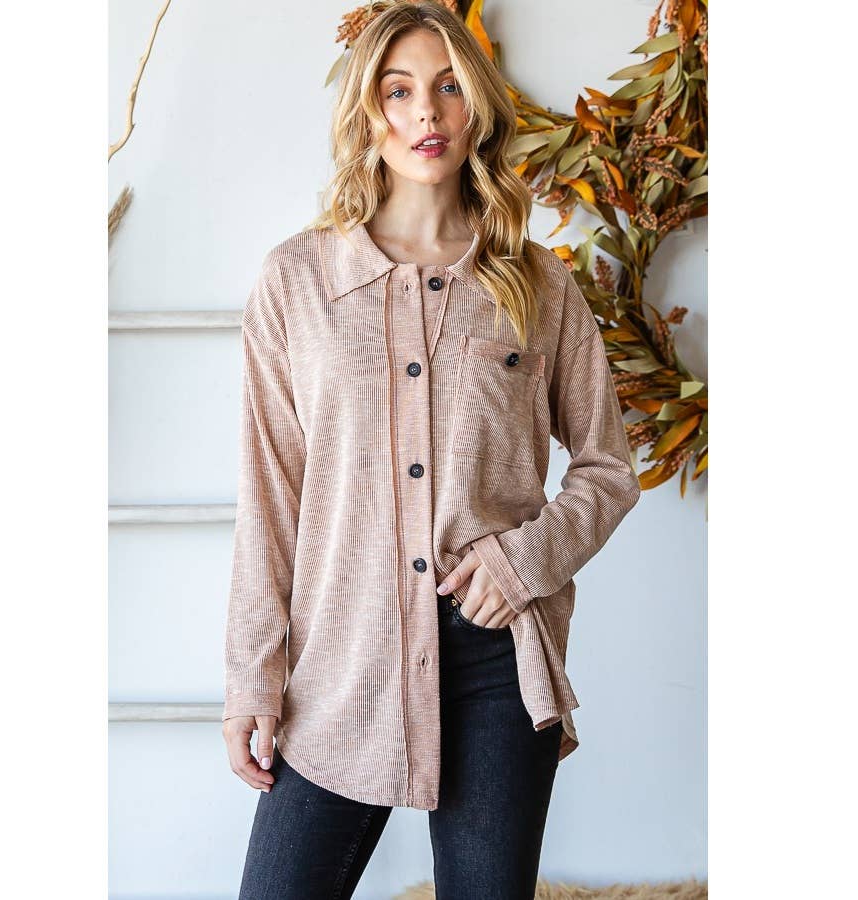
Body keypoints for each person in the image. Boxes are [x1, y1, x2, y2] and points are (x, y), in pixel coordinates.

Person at [221, 2, 641, 898]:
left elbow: (609, 468)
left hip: (497, 662)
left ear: (477, 105)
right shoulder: (296, 283)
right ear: (367, 110)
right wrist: (252, 677)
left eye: (449, 87)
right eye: (399, 90)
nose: (427, 113)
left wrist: (524, 559)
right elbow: (270, 496)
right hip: (342, 658)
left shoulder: (537, 284)